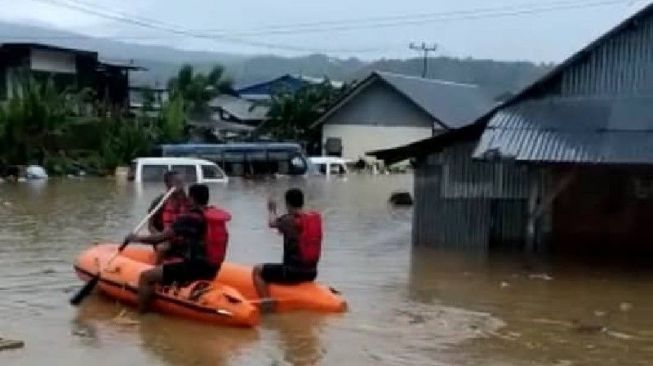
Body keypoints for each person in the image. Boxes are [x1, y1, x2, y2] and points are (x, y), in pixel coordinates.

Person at [125, 184, 232, 313]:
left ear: (192, 198)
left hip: (193, 269)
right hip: (213, 269)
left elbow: (159, 238)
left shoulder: (190, 218)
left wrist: (135, 239)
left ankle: (142, 316)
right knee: (172, 265)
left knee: (146, 277)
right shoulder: (212, 216)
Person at [252, 188, 322, 312]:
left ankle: (267, 306)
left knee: (257, 270)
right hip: (312, 273)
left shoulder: (288, 220)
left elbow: (272, 223)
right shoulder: (311, 219)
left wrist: (272, 209)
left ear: (288, 203)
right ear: (302, 202)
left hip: (293, 273)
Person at [148, 171, 191, 264]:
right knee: (164, 246)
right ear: (168, 184)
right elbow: (150, 225)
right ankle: (156, 269)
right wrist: (160, 236)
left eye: (182, 181)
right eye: (177, 181)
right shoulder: (159, 201)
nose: (181, 184)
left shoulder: (188, 201)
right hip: (163, 238)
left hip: (181, 239)